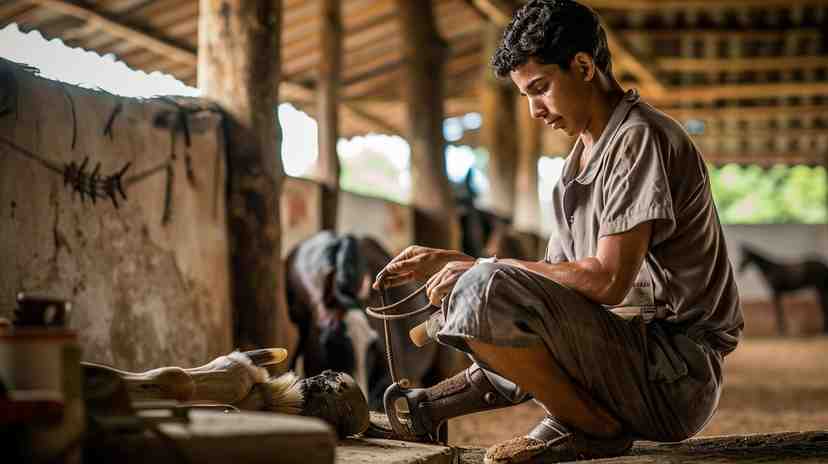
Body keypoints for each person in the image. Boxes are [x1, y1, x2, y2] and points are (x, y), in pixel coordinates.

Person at [373, 0, 744, 462]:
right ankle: (426, 408)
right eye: (526, 95)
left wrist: (479, 267)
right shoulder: (575, 167)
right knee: (483, 287)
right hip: (627, 359)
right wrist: (467, 265)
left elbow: (608, 282)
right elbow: (546, 291)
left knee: (484, 286)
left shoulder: (638, 139)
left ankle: (592, 428)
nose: (534, 110)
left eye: (541, 88)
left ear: (584, 66)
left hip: (674, 375)